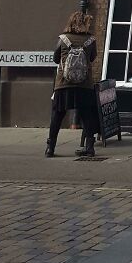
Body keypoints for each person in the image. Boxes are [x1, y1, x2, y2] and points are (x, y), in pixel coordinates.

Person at [45, 11, 98, 158]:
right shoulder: (90, 40)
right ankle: (89, 148)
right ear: (85, 23)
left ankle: (51, 148)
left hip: (63, 84)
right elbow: (93, 57)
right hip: (84, 84)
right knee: (87, 116)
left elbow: (56, 59)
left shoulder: (63, 39)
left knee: (57, 115)